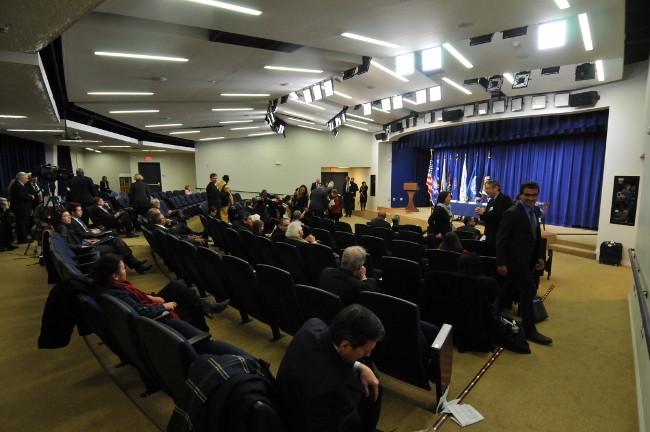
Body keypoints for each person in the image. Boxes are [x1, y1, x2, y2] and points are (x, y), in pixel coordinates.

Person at [276, 304, 385, 432]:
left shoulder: (313, 325)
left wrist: (359, 366)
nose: (368, 355)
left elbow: (331, 349)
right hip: (301, 422)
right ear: (345, 346)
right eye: (366, 350)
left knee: (374, 389)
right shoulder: (332, 390)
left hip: (290, 401)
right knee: (373, 393)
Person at [91, 254, 231, 334]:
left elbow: (134, 299)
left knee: (176, 287)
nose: (125, 270)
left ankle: (205, 304)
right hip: (152, 320)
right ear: (115, 276)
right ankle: (202, 335)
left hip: (146, 304)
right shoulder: (117, 293)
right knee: (189, 304)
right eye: (123, 268)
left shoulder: (107, 285)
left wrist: (149, 296)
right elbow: (142, 312)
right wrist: (165, 307)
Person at [496, 181, 551, 346]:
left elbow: (536, 236)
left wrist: (540, 256)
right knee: (529, 291)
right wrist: (501, 263)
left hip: (528, 260)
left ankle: (491, 317)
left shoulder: (535, 210)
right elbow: (501, 240)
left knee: (507, 292)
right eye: (527, 195)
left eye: (534, 195)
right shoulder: (512, 213)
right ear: (520, 195)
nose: (531, 198)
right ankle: (530, 330)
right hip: (515, 262)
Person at [53, 210, 151, 274]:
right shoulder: (62, 228)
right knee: (116, 245)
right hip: (86, 250)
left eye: (69, 215)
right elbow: (65, 245)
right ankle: (134, 263)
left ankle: (136, 265)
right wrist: (81, 246)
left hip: (87, 244)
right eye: (65, 216)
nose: (69, 217)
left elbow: (73, 238)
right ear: (60, 219)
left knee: (116, 240)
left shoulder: (66, 226)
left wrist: (84, 240)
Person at [475, 180, 514, 250]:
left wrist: (484, 213)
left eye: (488, 188)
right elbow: (488, 216)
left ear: (496, 188)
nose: (486, 191)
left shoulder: (504, 199)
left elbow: (501, 217)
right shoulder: (491, 201)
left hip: (499, 236)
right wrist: (480, 213)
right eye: (485, 189)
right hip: (490, 235)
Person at [9, 172, 33, 244]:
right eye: (26, 178)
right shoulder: (17, 185)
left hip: (23, 209)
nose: (27, 180)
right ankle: (22, 239)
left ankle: (24, 238)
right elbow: (20, 197)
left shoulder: (19, 185)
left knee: (24, 224)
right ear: (21, 178)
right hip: (21, 209)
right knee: (22, 225)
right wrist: (30, 197)